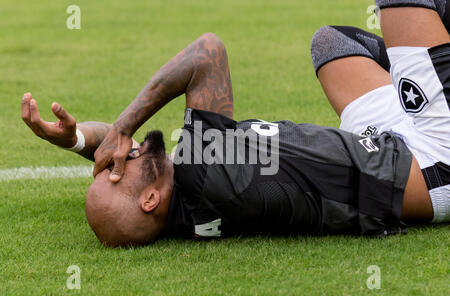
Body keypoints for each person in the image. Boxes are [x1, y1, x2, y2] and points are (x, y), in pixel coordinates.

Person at [21, 2, 449, 247]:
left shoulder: (190, 201)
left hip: (381, 144)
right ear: (150, 200)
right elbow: (208, 52)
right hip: (430, 165)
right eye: (114, 172)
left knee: (333, 44)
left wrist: (79, 140)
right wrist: (124, 124)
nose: (117, 158)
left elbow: (121, 148)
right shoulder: (202, 173)